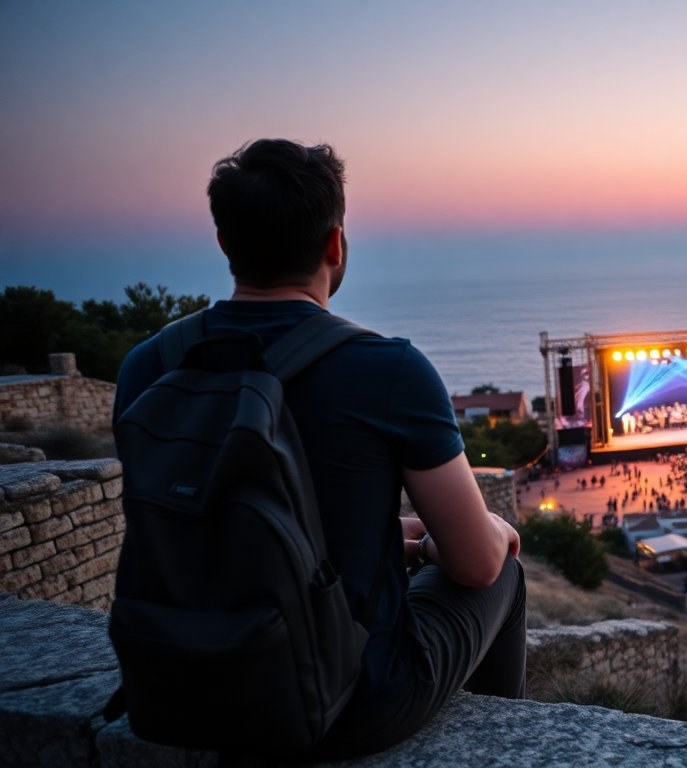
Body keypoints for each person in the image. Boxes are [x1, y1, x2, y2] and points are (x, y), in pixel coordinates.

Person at [113, 139, 526, 759]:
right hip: (344, 705)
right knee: (505, 572)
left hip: (178, 689)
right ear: (335, 244)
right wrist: (474, 536)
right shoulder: (388, 370)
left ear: (224, 243)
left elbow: (220, 516)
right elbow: (475, 566)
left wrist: (388, 534)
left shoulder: (148, 366)